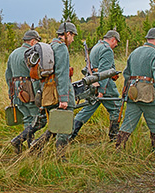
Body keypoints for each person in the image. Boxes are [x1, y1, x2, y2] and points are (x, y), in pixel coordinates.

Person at [115, 27, 155, 154]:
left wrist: (125, 94)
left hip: (133, 93)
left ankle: (118, 149)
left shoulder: (134, 52)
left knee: (128, 123)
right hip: (149, 95)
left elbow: (126, 75)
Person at [30, 20, 77, 155]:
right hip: (58, 93)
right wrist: (64, 98)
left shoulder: (51, 46)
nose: (72, 39)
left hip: (48, 92)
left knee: (55, 125)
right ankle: (61, 157)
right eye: (72, 36)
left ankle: (36, 146)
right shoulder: (61, 48)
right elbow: (62, 74)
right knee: (65, 126)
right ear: (67, 34)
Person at [69, 30, 121, 142]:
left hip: (93, 84)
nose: (116, 45)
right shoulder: (107, 50)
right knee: (116, 108)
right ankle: (114, 137)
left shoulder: (97, 46)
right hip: (105, 86)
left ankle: (69, 134)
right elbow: (104, 72)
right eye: (116, 42)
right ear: (113, 39)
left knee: (86, 110)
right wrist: (101, 90)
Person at [7, 28, 42, 154]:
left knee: (27, 118)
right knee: (37, 118)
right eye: (37, 41)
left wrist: (11, 94)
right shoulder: (30, 53)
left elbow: (8, 75)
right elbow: (35, 75)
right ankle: (23, 142)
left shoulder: (13, 54)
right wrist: (39, 93)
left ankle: (29, 146)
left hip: (16, 90)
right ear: (32, 41)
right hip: (29, 89)